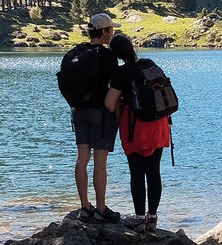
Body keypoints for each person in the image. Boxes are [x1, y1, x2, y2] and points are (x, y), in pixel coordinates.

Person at [105, 33, 170, 233]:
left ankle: (139, 217)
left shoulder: (122, 73)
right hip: (159, 124)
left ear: (115, 54)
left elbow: (109, 103)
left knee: (137, 172)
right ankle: (152, 217)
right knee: (154, 171)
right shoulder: (149, 63)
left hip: (136, 128)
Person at [71, 13, 122, 223]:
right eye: (111, 30)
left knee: (82, 158)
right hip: (100, 114)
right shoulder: (108, 56)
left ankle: (84, 207)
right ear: (104, 32)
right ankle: (101, 208)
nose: (112, 33)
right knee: (100, 162)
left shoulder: (77, 52)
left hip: (78, 111)